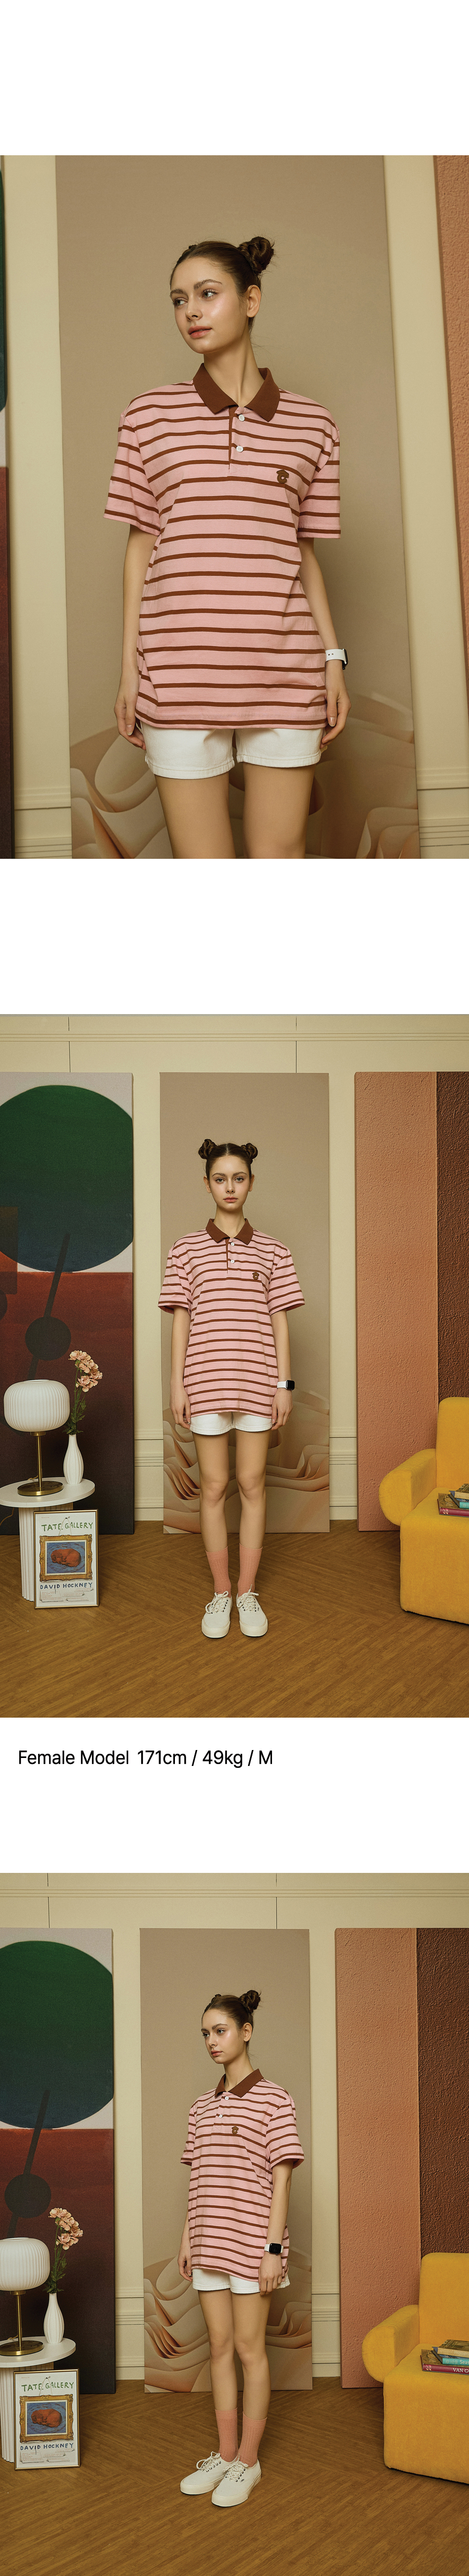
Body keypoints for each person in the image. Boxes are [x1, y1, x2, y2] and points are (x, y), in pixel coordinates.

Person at [106, 235, 350, 857]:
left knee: (279, 861)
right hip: (178, 673)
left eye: (207, 294)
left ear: (251, 300)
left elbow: (303, 553)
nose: (190, 310)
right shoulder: (147, 417)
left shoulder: (314, 425)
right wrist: (129, 667)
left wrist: (333, 658)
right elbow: (141, 546)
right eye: (178, 299)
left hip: (287, 674)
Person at [159, 1137, 304, 1637]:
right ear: (207, 1184)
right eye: (220, 1179)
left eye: (238, 1178)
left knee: (253, 1483)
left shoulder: (275, 1250)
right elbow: (181, 1320)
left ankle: (247, 1591)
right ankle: (221, 1592)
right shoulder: (184, 1249)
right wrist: (177, 1384)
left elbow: (280, 1322)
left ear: (251, 1183)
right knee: (215, 1486)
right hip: (204, 1383)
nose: (229, 1187)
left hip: (259, 1384)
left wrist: (285, 1385)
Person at [178, 1987, 303, 2508]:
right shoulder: (200, 2108)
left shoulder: (276, 2099)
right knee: (220, 2349)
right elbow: (199, 2181)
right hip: (208, 2243)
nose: (212, 2040)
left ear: (246, 2031)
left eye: (221, 2030)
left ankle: (249, 2461)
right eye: (206, 2033)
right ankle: (227, 2453)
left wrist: (273, 2249)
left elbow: (282, 2180)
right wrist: (187, 2237)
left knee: (252, 2351)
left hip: (253, 2247)